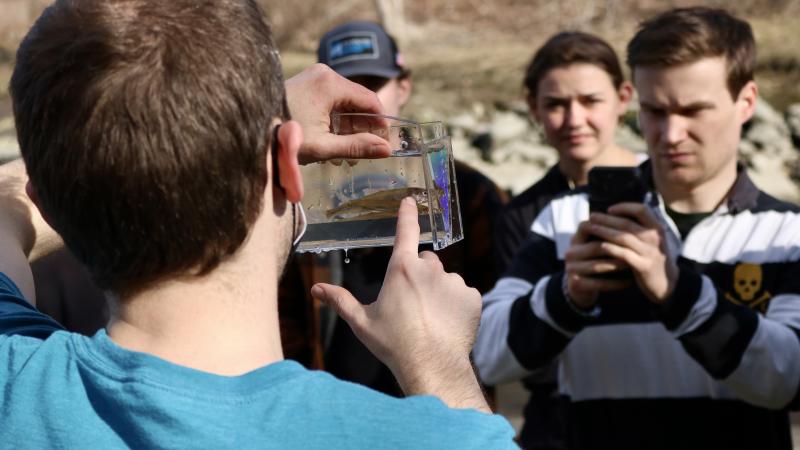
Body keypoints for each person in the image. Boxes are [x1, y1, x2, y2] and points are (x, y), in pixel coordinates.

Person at [0, 1, 517, 447]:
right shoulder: (439, 438)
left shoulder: (14, 384)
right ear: (290, 164)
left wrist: (241, 129)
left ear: (47, 203)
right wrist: (439, 366)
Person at [474, 7, 800, 450]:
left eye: (693, 110)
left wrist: (677, 293)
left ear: (746, 102)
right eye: (655, 111)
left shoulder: (786, 234)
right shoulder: (568, 219)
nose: (670, 133)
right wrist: (566, 297)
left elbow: (789, 378)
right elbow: (487, 359)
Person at [316, 21, 509, 396]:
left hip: (441, 410)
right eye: (344, 88)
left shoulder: (466, 191)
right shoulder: (301, 194)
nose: (361, 100)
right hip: (333, 416)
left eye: (373, 84)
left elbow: (498, 316)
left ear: (403, 86)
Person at [491, 32, 641, 450]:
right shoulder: (521, 216)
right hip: (561, 425)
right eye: (556, 104)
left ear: (623, 97)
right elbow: (512, 346)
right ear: (533, 107)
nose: (575, 119)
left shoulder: (663, 191)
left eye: (591, 100)